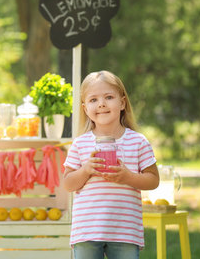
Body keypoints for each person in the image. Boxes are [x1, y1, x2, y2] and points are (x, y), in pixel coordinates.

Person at [62, 70, 159, 259]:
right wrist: (86, 170)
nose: (101, 104)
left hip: (125, 230)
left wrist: (127, 177)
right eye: (93, 100)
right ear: (85, 108)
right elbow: (68, 183)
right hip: (87, 230)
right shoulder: (80, 144)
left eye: (108, 97)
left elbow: (153, 180)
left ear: (122, 102)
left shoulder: (138, 142)